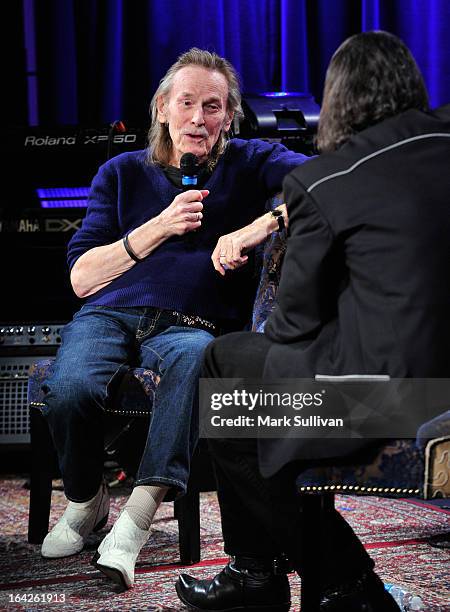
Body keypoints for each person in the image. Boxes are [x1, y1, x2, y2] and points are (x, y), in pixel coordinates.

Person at [175, 32, 450, 611]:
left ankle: (338, 583)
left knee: (228, 373)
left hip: (390, 398)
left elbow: (289, 331)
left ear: (337, 101)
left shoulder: (325, 182)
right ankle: (260, 571)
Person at [38, 48, 309, 589]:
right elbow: (81, 278)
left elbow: (332, 182)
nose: (198, 119)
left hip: (195, 323)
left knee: (192, 364)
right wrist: (157, 228)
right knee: (70, 390)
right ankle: (86, 502)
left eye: (213, 107)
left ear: (228, 117)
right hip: (110, 313)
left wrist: (258, 228)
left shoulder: (251, 159)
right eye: (186, 103)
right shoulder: (119, 173)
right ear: (162, 108)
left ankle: (133, 524)